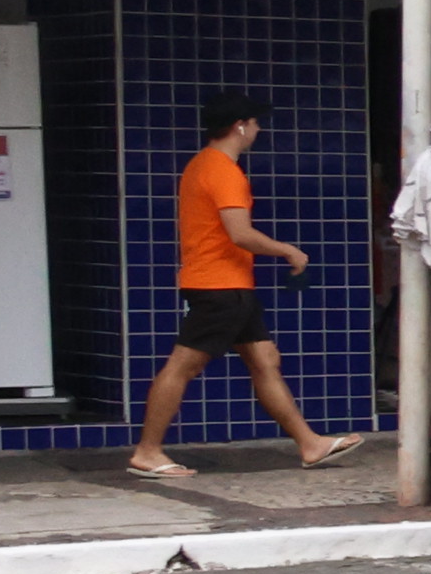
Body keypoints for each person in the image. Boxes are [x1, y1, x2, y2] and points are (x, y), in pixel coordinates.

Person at [125, 94, 357, 479]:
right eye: (255, 122)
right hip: (219, 286)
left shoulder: (201, 165)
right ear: (240, 126)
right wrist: (289, 252)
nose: (259, 129)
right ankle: (148, 451)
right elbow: (240, 233)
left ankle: (310, 443)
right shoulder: (224, 171)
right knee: (183, 366)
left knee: (264, 360)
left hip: (229, 285)